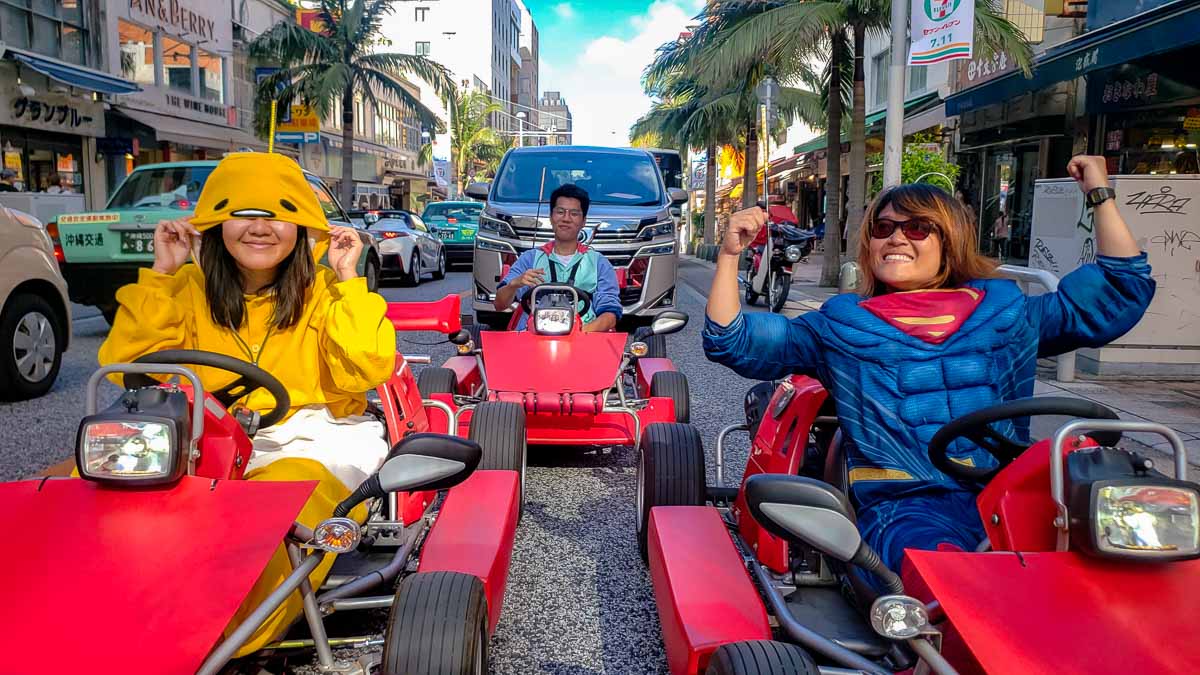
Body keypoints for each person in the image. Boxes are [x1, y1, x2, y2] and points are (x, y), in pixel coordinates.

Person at [704, 155, 1154, 581]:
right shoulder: (841, 324)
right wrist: (729, 256)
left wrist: (1099, 192)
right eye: (884, 228)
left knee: (1127, 566)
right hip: (906, 507)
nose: (897, 238)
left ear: (949, 240)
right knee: (954, 589)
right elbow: (731, 340)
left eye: (918, 227)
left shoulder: (1006, 310)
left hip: (1017, 497)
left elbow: (1121, 290)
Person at [97, 151, 396, 654]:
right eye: (243, 213)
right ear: (217, 221)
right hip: (204, 436)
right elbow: (132, 369)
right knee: (80, 484)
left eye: (274, 214)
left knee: (277, 509)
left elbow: (366, 369)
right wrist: (164, 274)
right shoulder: (188, 285)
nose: (258, 228)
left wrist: (347, 280)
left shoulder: (324, 291)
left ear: (301, 225)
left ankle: (210, 632)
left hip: (315, 433)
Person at [494, 183, 622, 331]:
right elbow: (499, 305)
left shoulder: (598, 263)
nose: (566, 219)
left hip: (584, 336)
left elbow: (610, 315)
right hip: (531, 336)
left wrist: (580, 333)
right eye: (560, 212)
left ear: (583, 221)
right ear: (551, 217)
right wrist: (514, 284)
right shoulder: (530, 258)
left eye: (574, 214)